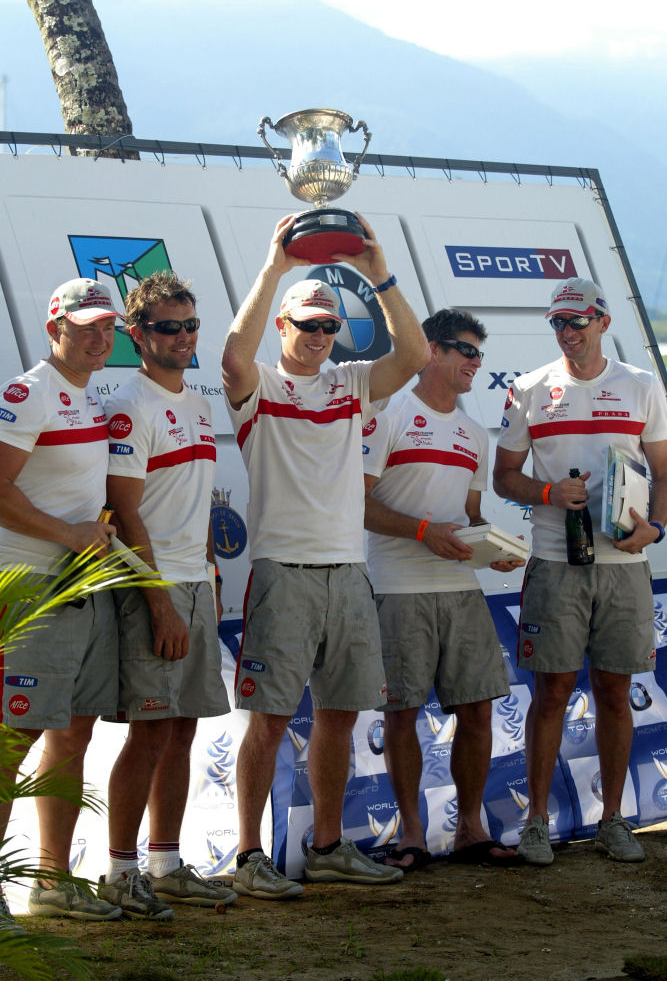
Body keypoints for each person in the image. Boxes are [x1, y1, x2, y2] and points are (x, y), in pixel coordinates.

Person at [221, 213, 429, 898]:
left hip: (348, 572)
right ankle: (250, 855)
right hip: (283, 572)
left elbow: (416, 358)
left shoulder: (351, 383)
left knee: (341, 714)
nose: (315, 337)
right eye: (303, 324)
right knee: (271, 720)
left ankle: (329, 846)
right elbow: (229, 356)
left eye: (326, 327)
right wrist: (273, 268)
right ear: (281, 327)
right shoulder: (257, 385)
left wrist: (378, 274)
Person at [493, 276, 667, 865]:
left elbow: (664, 474)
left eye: (579, 321)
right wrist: (546, 491)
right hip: (555, 561)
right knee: (552, 692)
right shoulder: (531, 388)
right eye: (559, 324)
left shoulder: (642, 385)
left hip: (625, 562)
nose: (569, 333)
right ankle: (537, 822)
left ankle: (612, 821)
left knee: (616, 692)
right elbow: (504, 477)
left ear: (604, 322)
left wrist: (657, 530)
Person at [363, 308, 524, 871]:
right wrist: (424, 533)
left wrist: (495, 552)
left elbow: (473, 515)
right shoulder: (387, 413)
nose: (475, 362)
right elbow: (359, 504)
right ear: (431, 351)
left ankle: (471, 829)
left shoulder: (475, 433)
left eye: (480, 353)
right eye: (465, 350)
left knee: (477, 711)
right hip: (398, 588)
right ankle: (411, 833)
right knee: (402, 712)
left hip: (461, 589)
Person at [98, 272, 233, 919]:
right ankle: (120, 874)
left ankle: (167, 864)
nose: (182, 338)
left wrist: (207, 570)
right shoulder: (129, 405)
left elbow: (194, 501)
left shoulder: (200, 405)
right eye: (166, 328)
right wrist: (157, 600)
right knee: (149, 733)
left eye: (189, 325)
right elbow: (123, 513)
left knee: (182, 732)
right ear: (137, 335)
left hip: (194, 584)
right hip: (149, 588)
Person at [0, 278, 123, 928]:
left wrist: (91, 531)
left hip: (81, 589)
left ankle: (50, 879)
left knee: (73, 736)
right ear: (55, 328)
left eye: (107, 327)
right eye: (85, 327)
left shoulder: (87, 394)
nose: (99, 338)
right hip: (32, 592)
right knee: (10, 742)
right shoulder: (28, 392)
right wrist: (69, 534)